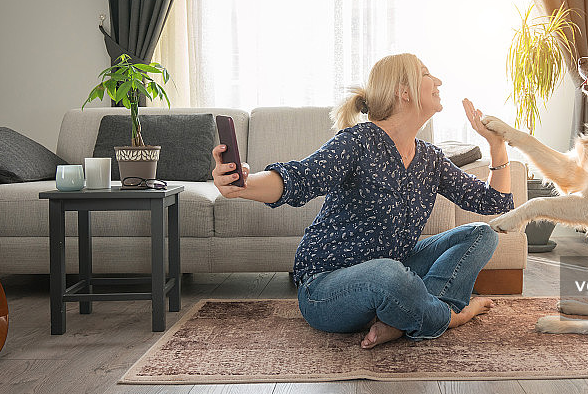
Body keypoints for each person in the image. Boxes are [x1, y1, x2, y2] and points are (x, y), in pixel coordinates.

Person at [212, 53, 512, 348]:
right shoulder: (357, 141)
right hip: (327, 287)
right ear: (403, 91)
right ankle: (450, 316)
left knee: (481, 235)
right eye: (426, 73)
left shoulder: (430, 158)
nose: (438, 80)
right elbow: (300, 178)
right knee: (388, 273)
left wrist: (496, 145)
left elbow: (495, 203)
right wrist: (244, 184)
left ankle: (405, 317)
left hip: (395, 269)